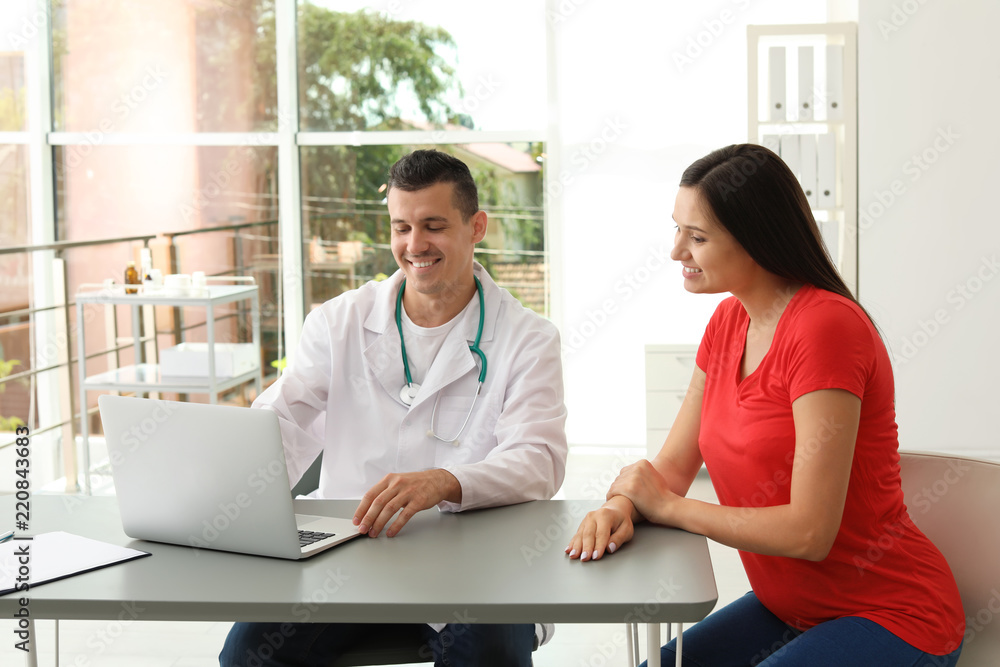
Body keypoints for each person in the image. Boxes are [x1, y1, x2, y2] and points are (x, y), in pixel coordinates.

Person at [566, 144, 964, 666]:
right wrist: (622, 505)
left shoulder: (826, 328)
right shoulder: (728, 323)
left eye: (698, 237)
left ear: (755, 239)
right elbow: (673, 467)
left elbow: (809, 532)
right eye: (677, 230)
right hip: (790, 609)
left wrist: (666, 508)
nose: (676, 252)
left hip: (891, 615)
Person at [220, 149, 568, 667]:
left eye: (433, 226)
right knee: (249, 655)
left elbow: (539, 460)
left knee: (490, 655)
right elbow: (283, 423)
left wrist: (446, 481)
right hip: (348, 549)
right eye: (401, 227)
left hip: (472, 559)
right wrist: (228, 489)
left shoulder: (527, 339)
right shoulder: (338, 322)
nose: (414, 245)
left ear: (477, 227)